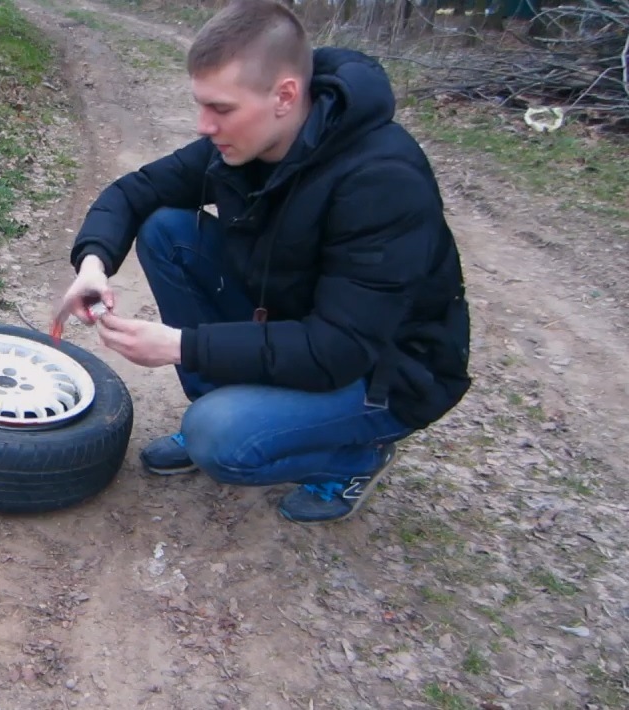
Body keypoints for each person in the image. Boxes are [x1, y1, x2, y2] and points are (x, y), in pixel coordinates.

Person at [51, 0, 472, 524]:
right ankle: (230, 399)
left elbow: (337, 349)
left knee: (221, 439)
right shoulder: (244, 141)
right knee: (166, 229)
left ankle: (356, 456)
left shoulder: (382, 180)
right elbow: (135, 192)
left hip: (384, 373)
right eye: (201, 105)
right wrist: (94, 263)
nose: (203, 126)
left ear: (285, 95)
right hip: (297, 318)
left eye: (221, 109)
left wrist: (183, 346)